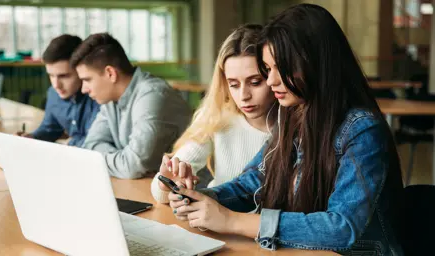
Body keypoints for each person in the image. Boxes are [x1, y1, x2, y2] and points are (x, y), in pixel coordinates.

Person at [168, 4, 404, 255]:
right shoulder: (293, 115)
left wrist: (232, 220)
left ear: (317, 64)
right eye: (268, 69)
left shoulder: (361, 129)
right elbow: (252, 183)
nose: (272, 81)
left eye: (283, 68)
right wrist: (199, 199)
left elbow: (342, 227)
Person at [150, 24, 277, 203]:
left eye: (255, 82)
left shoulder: (296, 127)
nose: (243, 96)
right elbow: (160, 193)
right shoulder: (217, 117)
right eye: (233, 84)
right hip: (216, 221)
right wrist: (167, 183)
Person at [71, 33, 192, 179]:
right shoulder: (110, 99)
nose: (83, 89)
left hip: (197, 192)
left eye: (87, 80)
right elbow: (90, 145)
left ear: (110, 73)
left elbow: (132, 166)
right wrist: (122, 160)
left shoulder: (153, 95)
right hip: (154, 188)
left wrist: (121, 162)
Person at [16, 34, 100, 147]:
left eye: (64, 76)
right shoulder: (53, 93)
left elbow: (94, 140)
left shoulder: (99, 96)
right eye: (51, 75)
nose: (56, 85)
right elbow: (49, 129)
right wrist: (32, 138)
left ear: (81, 70)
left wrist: (69, 143)